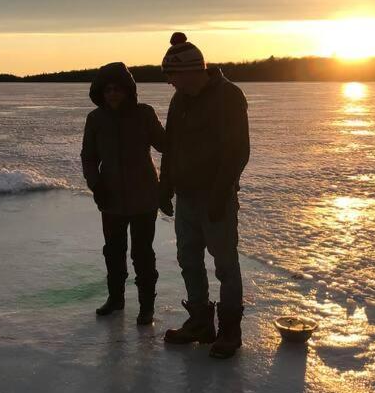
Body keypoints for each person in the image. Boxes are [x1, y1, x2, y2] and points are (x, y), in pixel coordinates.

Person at [158, 32, 250, 359]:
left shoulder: (229, 97)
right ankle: (200, 322)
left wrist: (220, 193)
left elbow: (237, 151)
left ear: (193, 71)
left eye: (174, 76)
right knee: (188, 259)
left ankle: (230, 331)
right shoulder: (179, 100)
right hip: (186, 197)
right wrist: (165, 185)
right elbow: (171, 146)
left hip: (216, 197)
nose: (170, 83)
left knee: (225, 264)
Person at [81, 62, 165, 325]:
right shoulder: (95, 119)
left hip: (144, 197)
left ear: (128, 91)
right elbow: (89, 157)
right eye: (108, 90)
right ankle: (115, 299)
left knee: (142, 253)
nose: (113, 94)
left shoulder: (144, 114)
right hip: (111, 198)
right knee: (113, 251)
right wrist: (97, 186)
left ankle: (146, 308)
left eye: (118, 89)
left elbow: (166, 145)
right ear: (101, 93)